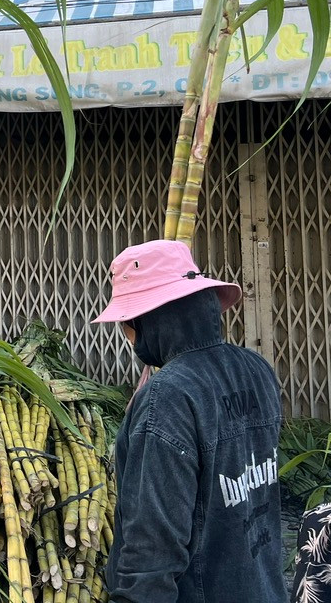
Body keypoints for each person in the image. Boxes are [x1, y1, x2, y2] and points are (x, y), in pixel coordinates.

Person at [95, 240, 284, 603]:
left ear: (148, 321)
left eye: (128, 323)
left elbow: (152, 546)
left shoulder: (169, 397)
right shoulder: (257, 370)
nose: (128, 337)